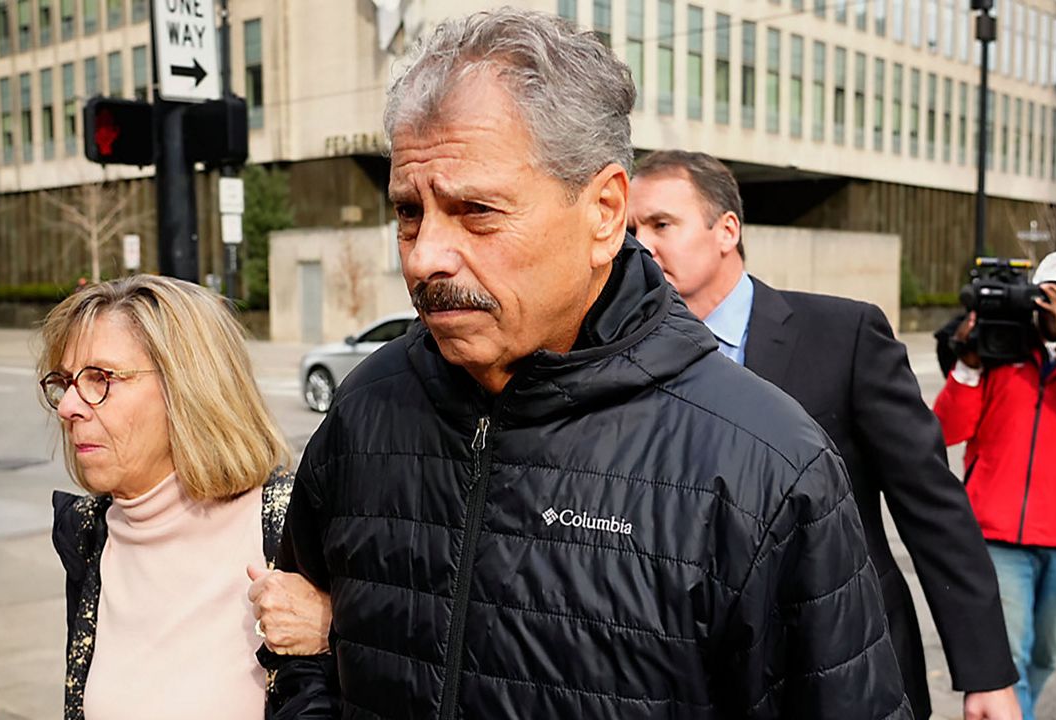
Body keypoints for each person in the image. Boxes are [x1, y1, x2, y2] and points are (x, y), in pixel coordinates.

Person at [263, 9, 911, 718]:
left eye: (476, 210)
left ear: (604, 211)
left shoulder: (768, 467)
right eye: (409, 212)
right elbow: (305, 647)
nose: (424, 256)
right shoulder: (366, 409)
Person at [626, 149, 1020, 720]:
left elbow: (932, 507)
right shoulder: (625, 355)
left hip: (845, 664)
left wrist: (986, 673)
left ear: (726, 230)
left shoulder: (844, 335)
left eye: (662, 224)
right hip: (686, 674)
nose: (642, 244)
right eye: (633, 229)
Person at [41, 275, 330, 720]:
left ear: (190, 386)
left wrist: (338, 628)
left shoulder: (295, 526)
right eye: (65, 381)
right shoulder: (86, 537)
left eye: (100, 378)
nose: (67, 407)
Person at [934, 248, 1056, 720]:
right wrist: (968, 364)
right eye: (1052, 294)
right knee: (1006, 663)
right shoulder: (1002, 355)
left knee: (1043, 656)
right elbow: (944, 431)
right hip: (997, 537)